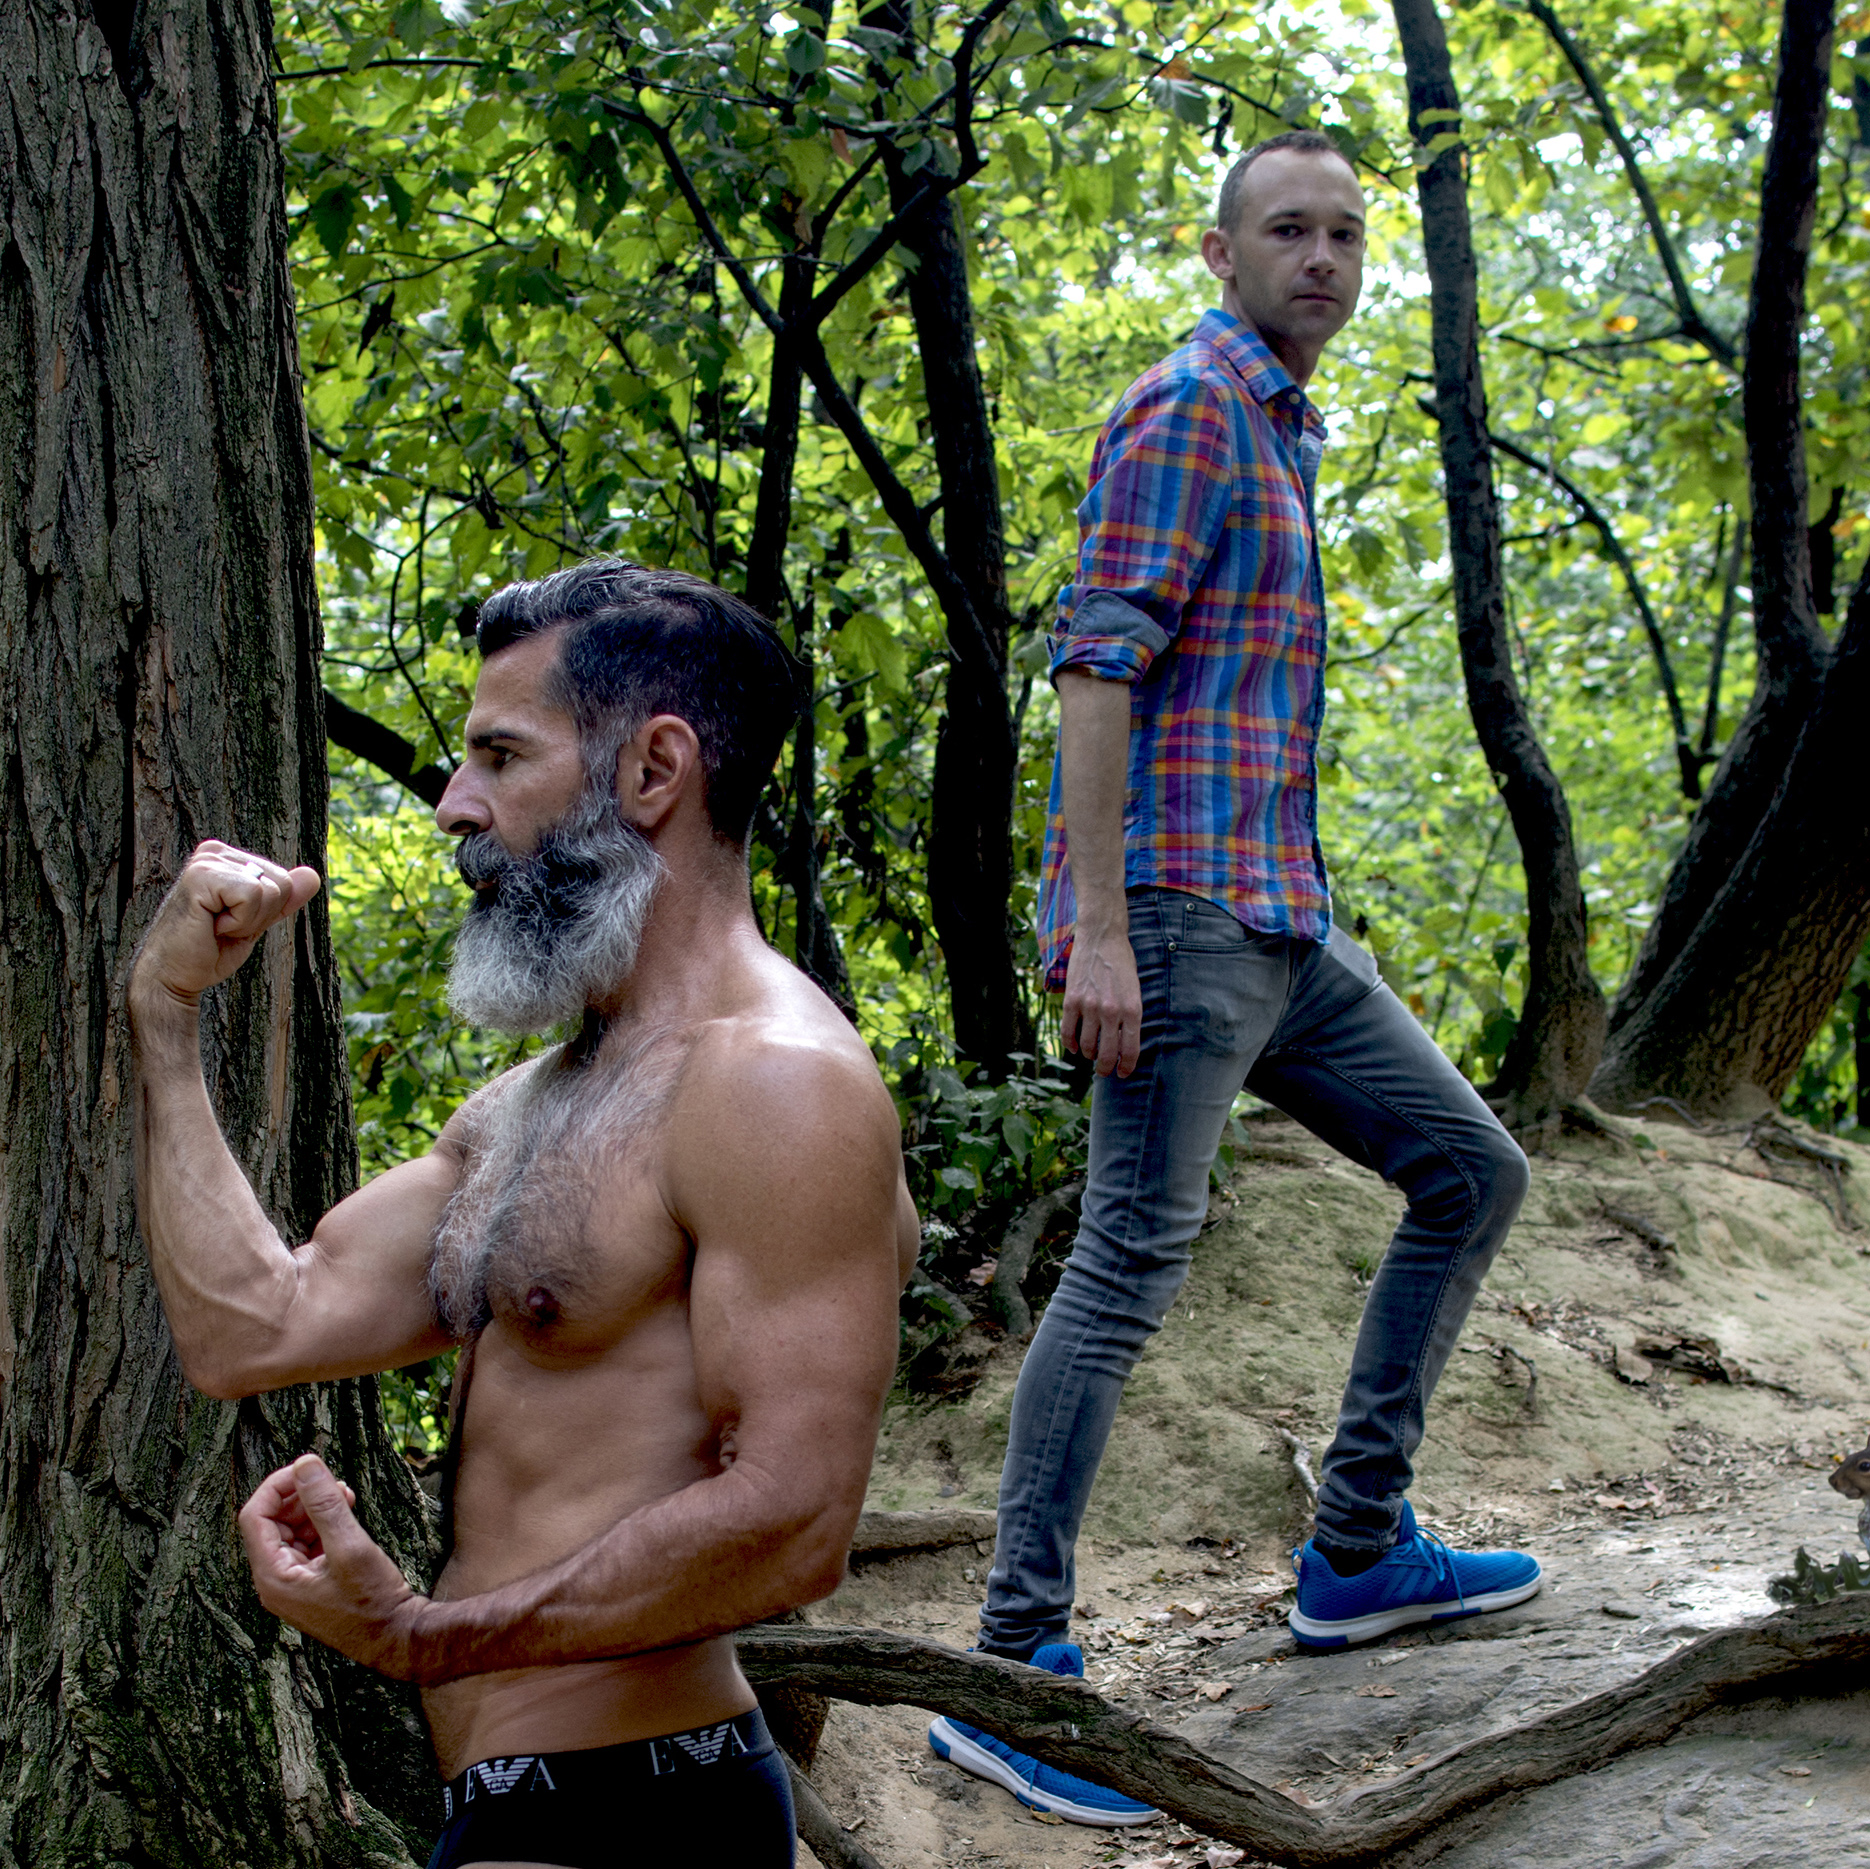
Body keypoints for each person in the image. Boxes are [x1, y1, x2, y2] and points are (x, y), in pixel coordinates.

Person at [927, 131, 1541, 1827]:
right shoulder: (1189, 409)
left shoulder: (1283, 425)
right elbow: (1095, 664)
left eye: (1347, 232)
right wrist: (1098, 926)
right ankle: (1009, 1670)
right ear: (1220, 251)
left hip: (1281, 922)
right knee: (1125, 1264)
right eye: (1289, 228)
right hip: (1181, 922)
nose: (1323, 256)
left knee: (1469, 1167)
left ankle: (1354, 1546)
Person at [129, 561, 919, 1869]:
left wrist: (424, 1637)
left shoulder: (776, 1085)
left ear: (653, 770)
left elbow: (793, 1519)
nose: (454, 805)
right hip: (514, 1805)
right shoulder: (539, 1102)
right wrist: (165, 1020)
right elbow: (252, 1326)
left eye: (500, 754)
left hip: (648, 1807)